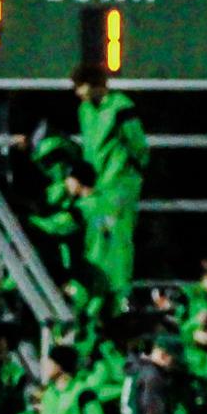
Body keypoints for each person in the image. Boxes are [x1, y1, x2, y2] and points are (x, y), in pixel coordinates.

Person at [74, 62, 149, 306]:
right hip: (95, 188)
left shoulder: (121, 107)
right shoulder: (85, 110)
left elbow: (137, 145)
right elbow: (89, 148)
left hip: (119, 186)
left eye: (82, 87)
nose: (79, 93)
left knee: (119, 239)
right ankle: (96, 292)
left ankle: (120, 297)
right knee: (95, 236)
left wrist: (131, 175)